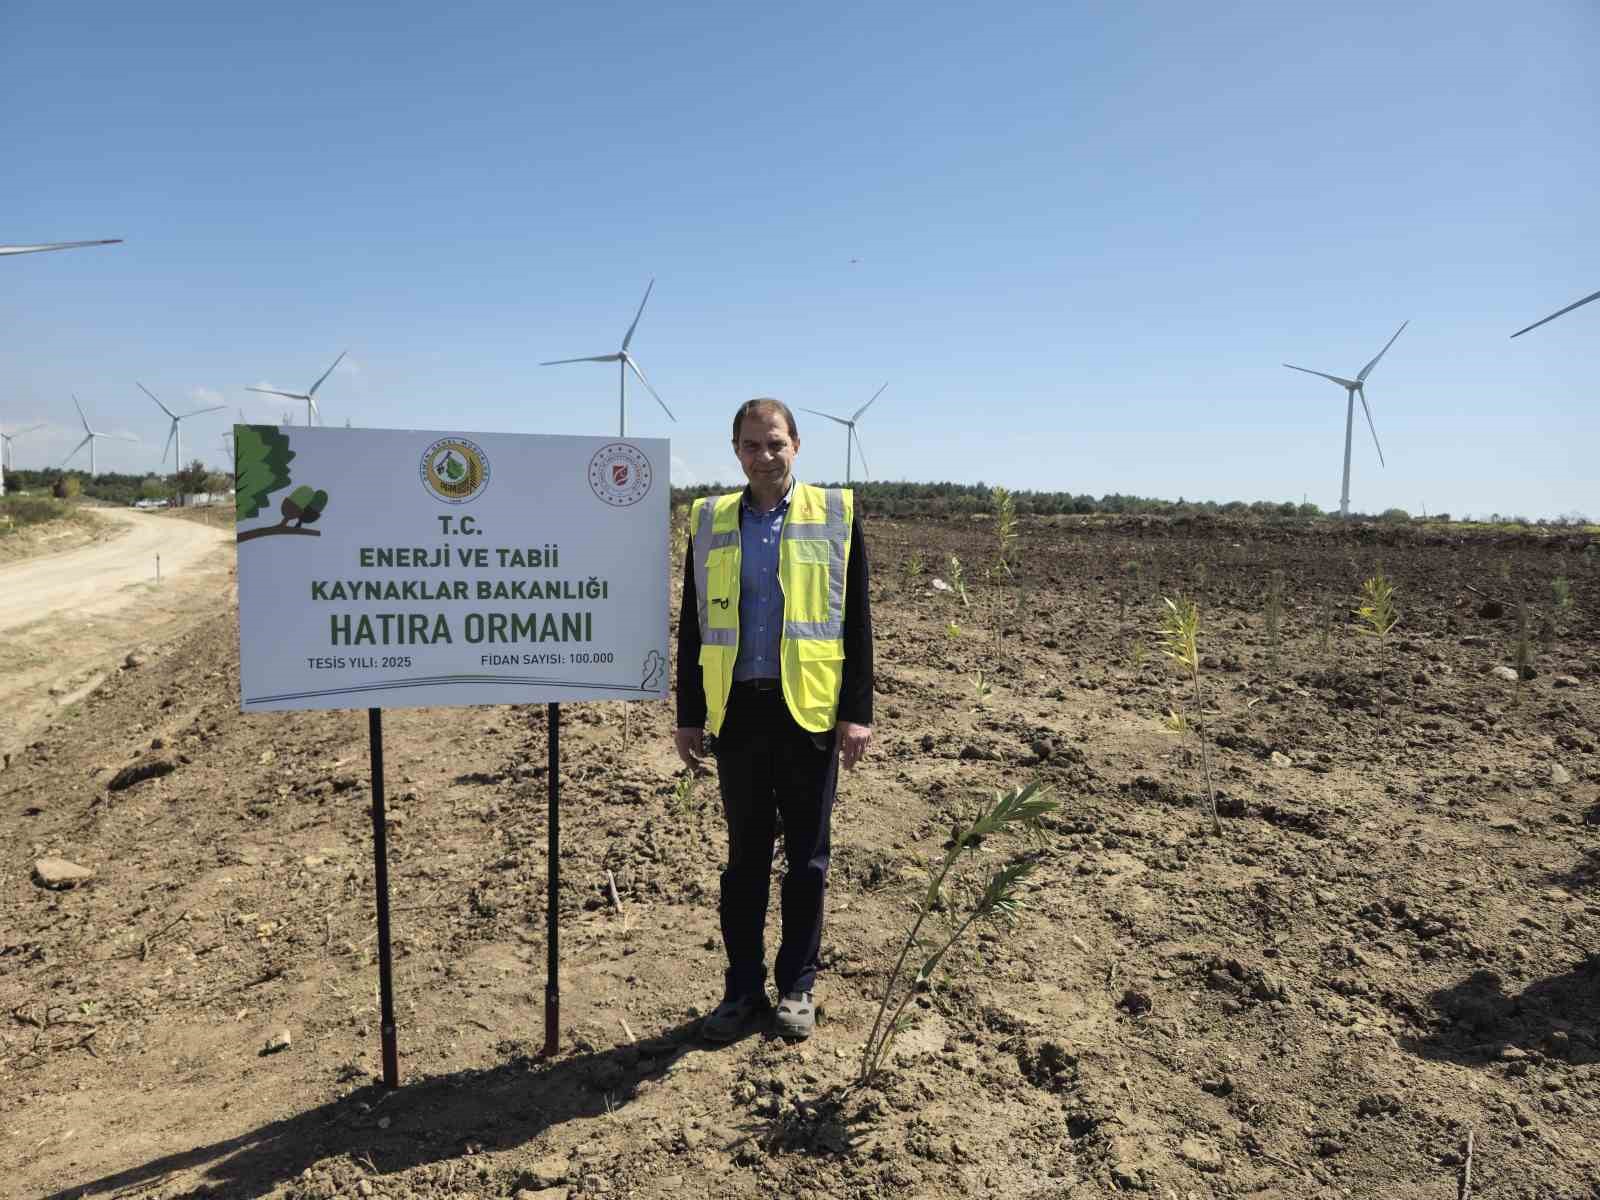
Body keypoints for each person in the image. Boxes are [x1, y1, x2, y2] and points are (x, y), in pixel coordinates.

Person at [674, 398, 874, 1042]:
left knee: (808, 863)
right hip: (739, 714)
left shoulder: (835, 516)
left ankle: (797, 988)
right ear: (736, 450)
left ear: (797, 446)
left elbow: (856, 621)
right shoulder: (708, 522)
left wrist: (856, 712)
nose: (765, 457)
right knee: (745, 861)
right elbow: (693, 625)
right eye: (752, 446)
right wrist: (688, 714)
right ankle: (741, 989)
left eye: (776, 444)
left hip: (808, 714)